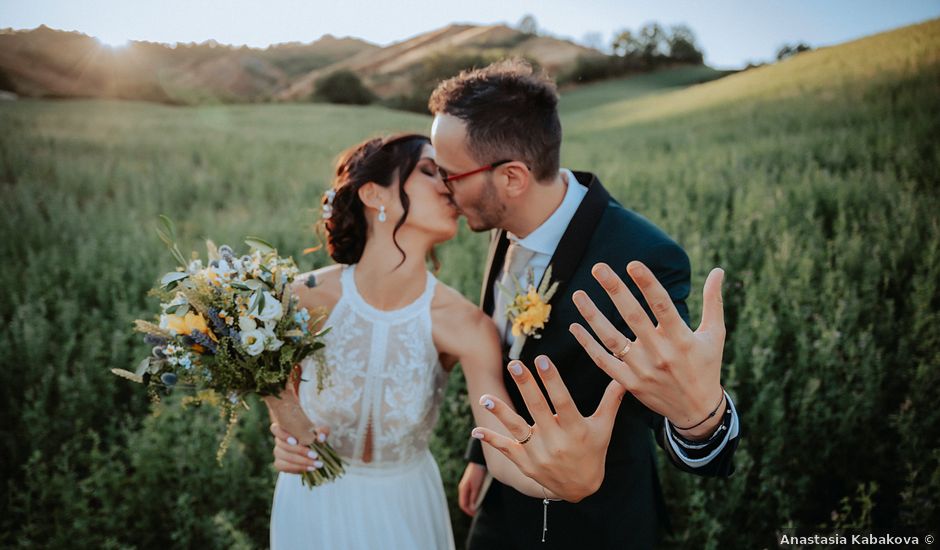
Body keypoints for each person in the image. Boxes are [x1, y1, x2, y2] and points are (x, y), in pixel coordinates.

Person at [426, 59, 742, 549]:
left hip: (597, 520)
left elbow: (673, 402)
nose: (441, 189)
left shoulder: (638, 257)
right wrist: (479, 454)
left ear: (512, 178)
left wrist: (701, 418)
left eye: (449, 175)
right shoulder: (507, 222)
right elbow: (509, 351)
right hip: (504, 500)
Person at [265, 133, 608, 549]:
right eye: (430, 172)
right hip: (312, 505)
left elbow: (499, 449)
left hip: (406, 510)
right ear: (374, 194)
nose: (449, 185)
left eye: (449, 175)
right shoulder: (302, 298)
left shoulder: (466, 326)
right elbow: (260, 369)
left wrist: (562, 484)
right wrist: (284, 425)